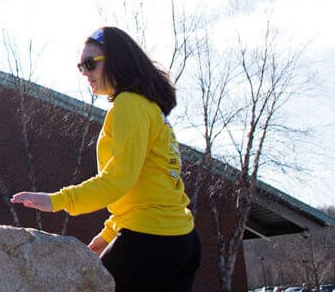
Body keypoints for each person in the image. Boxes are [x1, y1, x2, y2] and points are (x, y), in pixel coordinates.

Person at [11, 27, 200, 292]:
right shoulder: (150, 108)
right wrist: (110, 233)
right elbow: (147, 189)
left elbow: (118, 180)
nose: (85, 73)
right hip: (182, 241)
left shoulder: (128, 105)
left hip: (151, 240)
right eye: (81, 67)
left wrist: (57, 200)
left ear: (116, 61)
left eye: (90, 64)